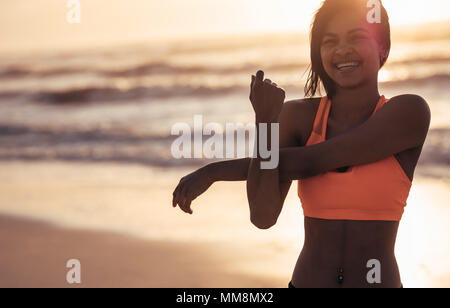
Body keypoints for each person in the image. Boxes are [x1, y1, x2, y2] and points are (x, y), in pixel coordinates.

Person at [172, 0, 431, 288]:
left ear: (383, 48)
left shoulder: (409, 112)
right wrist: (266, 123)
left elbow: (313, 160)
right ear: (319, 54)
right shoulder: (297, 118)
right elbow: (263, 215)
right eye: (329, 41)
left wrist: (215, 172)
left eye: (356, 37)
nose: (342, 49)